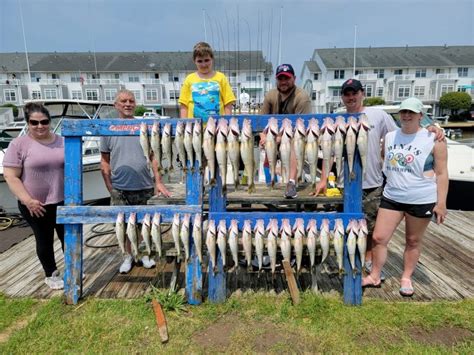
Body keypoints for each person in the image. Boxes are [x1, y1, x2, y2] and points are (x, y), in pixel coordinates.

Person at [313, 79, 444, 278]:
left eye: (354, 93)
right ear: (342, 97)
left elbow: (403, 133)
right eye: (347, 94)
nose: (351, 97)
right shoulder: (336, 120)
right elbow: (329, 153)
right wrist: (323, 179)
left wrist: (432, 128)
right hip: (343, 184)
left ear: (362, 93)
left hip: (372, 182)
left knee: (370, 229)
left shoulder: (378, 115)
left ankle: (367, 260)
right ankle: (347, 260)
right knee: (345, 226)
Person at [362, 97, 448, 297]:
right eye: (403, 112)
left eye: (411, 112)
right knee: (378, 237)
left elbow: (442, 173)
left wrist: (441, 203)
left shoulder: (434, 139)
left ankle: (406, 277)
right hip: (392, 196)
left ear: (420, 115)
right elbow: (385, 157)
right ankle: (375, 275)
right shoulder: (391, 136)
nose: (407, 116)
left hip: (421, 198)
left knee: (412, 240)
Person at [100, 90, 171, 274]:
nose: (128, 104)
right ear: (116, 105)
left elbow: (154, 155)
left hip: (145, 184)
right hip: (119, 186)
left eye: (131, 101)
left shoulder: (145, 126)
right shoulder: (109, 128)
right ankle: (127, 256)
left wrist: (158, 181)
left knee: (144, 224)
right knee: (122, 225)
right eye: (123, 101)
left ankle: (144, 253)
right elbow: (105, 160)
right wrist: (108, 184)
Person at [3, 102, 65, 290]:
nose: (40, 126)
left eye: (44, 121)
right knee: (44, 238)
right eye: (34, 122)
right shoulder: (18, 144)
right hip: (35, 204)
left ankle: (73, 266)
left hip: (63, 201)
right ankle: (51, 274)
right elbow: (10, 176)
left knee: (68, 237)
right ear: (28, 123)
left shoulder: (62, 140)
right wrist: (27, 200)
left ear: (50, 121)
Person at [259, 63, 312, 198]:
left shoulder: (302, 97)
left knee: (294, 143)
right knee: (267, 147)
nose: (283, 82)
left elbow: (301, 129)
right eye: (280, 79)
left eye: (287, 78)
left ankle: (291, 182)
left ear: (294, 78)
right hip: (274, 138)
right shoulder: (270, 95)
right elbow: (260, 121)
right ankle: (270, 181)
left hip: (294, 138)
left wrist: (278, 138)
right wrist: (263, 137)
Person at [179, 42, 236, 122]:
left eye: (206, 60)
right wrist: (184, 123)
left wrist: (227, 122)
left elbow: (228, 103)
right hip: (194, 127)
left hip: (217, 127)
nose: (203, 64)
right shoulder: (189, 79)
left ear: (212, 59)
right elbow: (183, 105)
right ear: (194, 61)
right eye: (200, 61)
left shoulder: (221, 78)